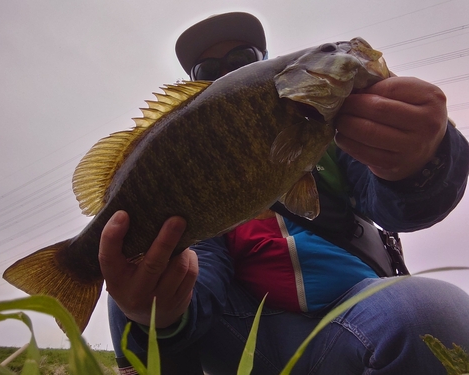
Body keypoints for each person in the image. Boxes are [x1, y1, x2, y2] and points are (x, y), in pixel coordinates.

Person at [100, 12, 469, 375]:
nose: (227, 72)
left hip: (363, 319)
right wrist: (163, 310)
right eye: (207, 70)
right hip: (251, 339)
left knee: (430, 308)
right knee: (134, 276)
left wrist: (425, 159)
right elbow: (203, 274)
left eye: (241, 58)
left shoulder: (341, 137)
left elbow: (399, 209)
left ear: (266, 64)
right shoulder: (191, 170)